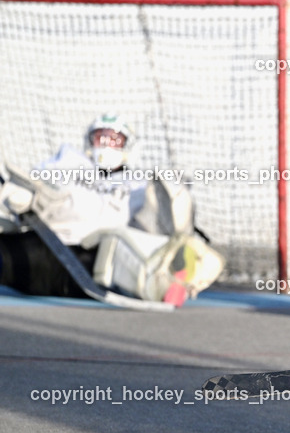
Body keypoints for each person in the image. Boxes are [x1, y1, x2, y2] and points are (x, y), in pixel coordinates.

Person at [0, 114, 223, 304]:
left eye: (114, 139)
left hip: (101, 261)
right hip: (49, 246)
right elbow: (42, 184)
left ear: (128, 146)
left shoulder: (140, 185)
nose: (106, 144)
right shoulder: (69, 162)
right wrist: (28, 196)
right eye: (100, 138)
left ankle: (164, 283)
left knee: (190, 257)